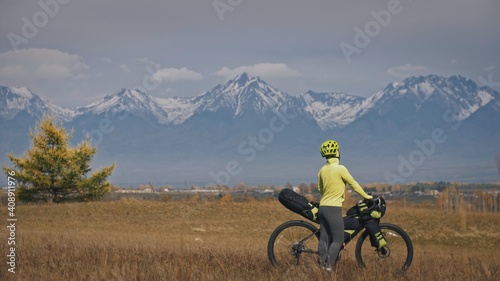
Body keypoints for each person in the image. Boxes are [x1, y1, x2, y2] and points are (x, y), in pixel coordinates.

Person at [317, 139, 373, 271]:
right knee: (338, 239)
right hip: (333, 208)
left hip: (322, 207)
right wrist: (366, 196)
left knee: (324, 239)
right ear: (337, 153)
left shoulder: (322, 170)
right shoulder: (340, 169)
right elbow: (353, 184)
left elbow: (320, 189)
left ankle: (320, 267)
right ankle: (328, 268)